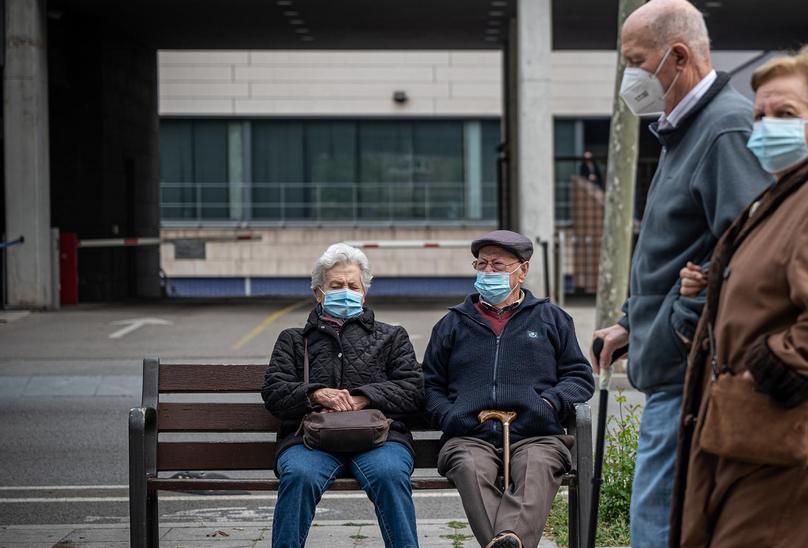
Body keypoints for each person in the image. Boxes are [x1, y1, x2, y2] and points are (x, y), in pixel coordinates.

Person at [670, 44, 808, 547]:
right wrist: (719, 286)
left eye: (786, 113)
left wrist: (763, 376)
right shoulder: (794, 191)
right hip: (767, 443)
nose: (767, 125)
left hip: (789, 446)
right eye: (761, 115)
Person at [588, 1, 773, 545]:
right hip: (675, 368)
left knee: (656, 528)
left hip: (688, 375)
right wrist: (631, 323)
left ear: (677, 55)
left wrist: (676, 325)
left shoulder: (723, 130)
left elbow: (747, 250)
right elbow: (675, 251)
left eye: (636, 60)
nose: (631, 75)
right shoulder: (686, 129)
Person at [423, 230, 594, 548]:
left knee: (537, 466)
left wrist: (550, 402)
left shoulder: (551, 319)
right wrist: (450, 416)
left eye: (497, 265)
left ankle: (506, 541)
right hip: (469, 435)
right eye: (482, 264)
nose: (487, 272)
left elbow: (580, 378)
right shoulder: (452, 324)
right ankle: (509, 541)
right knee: (470, 466)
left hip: (536, 434)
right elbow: (430, 384)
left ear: (522, 270)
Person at [262, 243, 424, 548]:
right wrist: (317, 394)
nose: (345, 290)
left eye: (353, 285)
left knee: (390, 474)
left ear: (364, 292)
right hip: (311, 441)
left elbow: (413, 390)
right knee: (298, 476)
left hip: (381, 439)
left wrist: (364, 397)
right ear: (318, 293)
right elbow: (274, 392)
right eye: (336, 285)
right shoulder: (294, 340)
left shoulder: (392, 337)